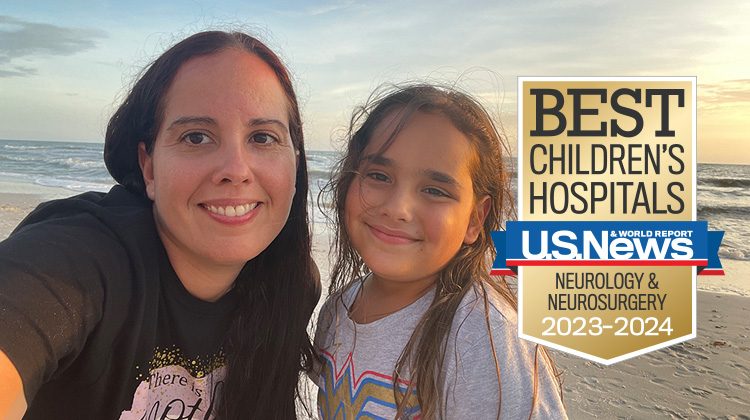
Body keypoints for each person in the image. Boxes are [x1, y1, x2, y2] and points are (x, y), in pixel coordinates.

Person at [0, 31, 319, 420]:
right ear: (149, 168)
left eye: (263, 137)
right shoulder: (80, 262)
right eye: (197, 137)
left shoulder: (290, 285)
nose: (236, 170)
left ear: (296, 164)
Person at [314, 84, 567, 419]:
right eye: (379, 175)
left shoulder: (480, 337)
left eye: (435, 190)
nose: (398, 208)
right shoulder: (337, 310)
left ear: (475, 219)